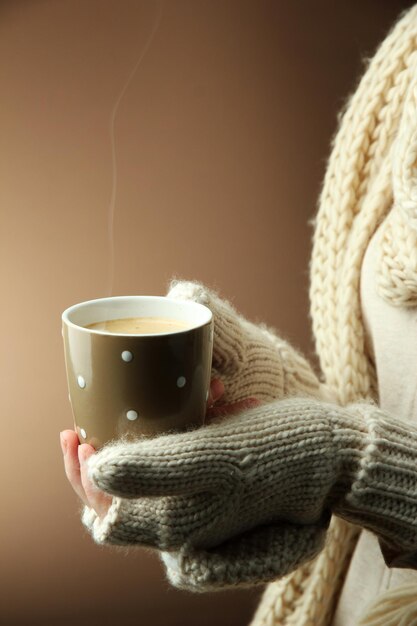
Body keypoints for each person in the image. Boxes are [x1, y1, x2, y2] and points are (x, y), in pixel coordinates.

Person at [60, 5, 417, 625]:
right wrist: (260, 387)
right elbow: (385, 395)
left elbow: (352, 448)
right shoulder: (408, 68)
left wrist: (347, 464)